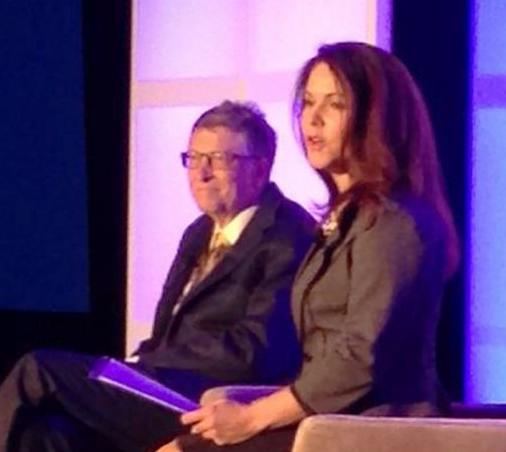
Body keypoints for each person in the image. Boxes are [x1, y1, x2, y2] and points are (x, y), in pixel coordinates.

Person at [158, 41, 460, 452]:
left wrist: (253, 417)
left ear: (374, 117)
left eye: (334, 104)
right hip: (331, 422)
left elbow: (359, 356)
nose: (311, 120)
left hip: (375, 431)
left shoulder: (395, 222)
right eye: (307, 102)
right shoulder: (343, 220)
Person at [0, 101, 316, 452]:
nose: (201, 173)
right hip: (161, 382)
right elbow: (167, 329)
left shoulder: (288, 236)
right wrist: (139, 366)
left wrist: (151, 364)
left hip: (210, 401)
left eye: (218, 159)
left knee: (38, 369)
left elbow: (254, 351)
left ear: (259, 169)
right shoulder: (198, 232)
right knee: (45, 432)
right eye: (193, 158)